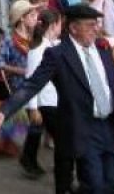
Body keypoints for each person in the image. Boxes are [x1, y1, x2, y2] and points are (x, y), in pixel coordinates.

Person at [0, 4, 114, 194]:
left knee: (110, 181)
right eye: (90, 25)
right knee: (94, 184)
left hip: (110, 127)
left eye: (97, 24)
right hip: (83, 129)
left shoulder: (103, 51)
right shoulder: (58, 55)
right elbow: (32, 85)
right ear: (73, 28)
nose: (96, 29)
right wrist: (4, 110)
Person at [19, 10, 75, 193]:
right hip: (47, 104)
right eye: (60, 24)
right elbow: (32, 81)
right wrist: (33, 108)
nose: (62, 27)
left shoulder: (51, 44)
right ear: (53, 26)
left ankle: (62, 178)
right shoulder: (38, 51)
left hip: (56, 102)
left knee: (64, 144)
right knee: (64, 145)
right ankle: (64, 183)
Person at [0, 0, 39, 157]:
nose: (36, 18)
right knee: (20, 117)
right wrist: (20, 71)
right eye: (32, 15)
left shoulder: (37, 39)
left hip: (39, 83)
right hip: (19, 86)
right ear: (22, 18)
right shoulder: (9, 41)